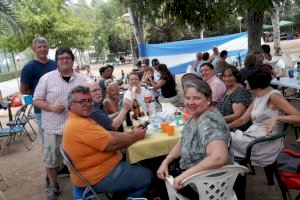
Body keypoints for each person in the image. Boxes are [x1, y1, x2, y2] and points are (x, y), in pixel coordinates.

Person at [62, 86, 152, 200]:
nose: (88, 104)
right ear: (71, 104)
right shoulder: (81, 125)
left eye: (89, 100)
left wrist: (132, 133)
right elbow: (112, 144)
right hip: (98, 175)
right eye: (82, 101)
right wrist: (136, 137)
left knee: (136, 164)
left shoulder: (81, 119)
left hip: (98, 169)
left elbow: (108, 134)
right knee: (148, 176)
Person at [157, 79, 234, 198]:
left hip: (207, 184)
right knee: (161, 169)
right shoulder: (196, 116)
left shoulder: (208, 121)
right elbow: (184, 141)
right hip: (197, 175)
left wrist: (184, 176)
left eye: (197, 98)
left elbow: (219, 157)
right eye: (188, 98)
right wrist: (166, 161)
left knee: (159, 183)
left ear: (208, 100)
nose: (190, 102)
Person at [33, 47, 86, 200]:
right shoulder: (47, 78)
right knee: (51, 160)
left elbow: (88, 101)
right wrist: (50, 107)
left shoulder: (81, 79)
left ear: (72, 61)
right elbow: (36, 99)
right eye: (60, 58)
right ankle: (53, 186)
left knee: (78, 158)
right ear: (56, 61)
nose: (64, 60)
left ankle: (80, 183)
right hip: (53, 128)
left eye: (67, 58)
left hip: (76, 129)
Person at [229, 68, 300, 167]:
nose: (245, 82)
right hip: (254, 138)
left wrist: (277, 118)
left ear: (255, 83)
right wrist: (225, 127)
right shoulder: (259, 95)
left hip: (265, 144)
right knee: (220, 138)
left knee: (220, 141)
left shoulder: (273, 97)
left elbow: (298, 117)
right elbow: (243, 119)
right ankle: (231, 174)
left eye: (247, 80)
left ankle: (229, 175)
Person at [20, 37, 57, 142]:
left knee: (62, 139)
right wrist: (38, 96)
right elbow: (23, 90)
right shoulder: (28, 67)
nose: (42, 49)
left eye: (45, 46)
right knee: (48, 141)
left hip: (58, 107)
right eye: (39, 47)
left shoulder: (55, 64)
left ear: (48, 48)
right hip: (41, 111)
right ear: (33, 49)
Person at [218, 65, 252, 131]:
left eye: (230, 76)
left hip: (235, 128)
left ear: (236, 76)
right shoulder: (228, 88)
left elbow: (238, 115)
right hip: (224, 124)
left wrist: (218, 119)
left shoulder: (240, 91)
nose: (227, 79)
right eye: (224, 76)